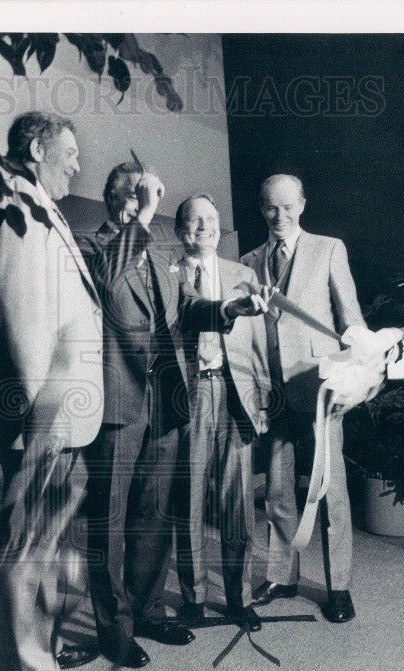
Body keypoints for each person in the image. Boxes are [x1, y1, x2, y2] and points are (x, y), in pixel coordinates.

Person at [0, 111, 104, 671]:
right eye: (69, 152)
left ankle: (28, 661)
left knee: (43, 549)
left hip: (59, 415)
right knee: (27, 552)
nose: (77, 165)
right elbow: (22, 320)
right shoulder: (17, 209)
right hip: (43, 414)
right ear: (35, 148)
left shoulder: (39, 208)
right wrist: (42, 421)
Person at [241, 174, 366, 623]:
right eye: (271, 208)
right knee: (277, 490)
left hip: (320, 391)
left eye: (288, 207)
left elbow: (350, 322)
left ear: (303, 205)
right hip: (273, 393)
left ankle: (339, 586)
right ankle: (282, 574)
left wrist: (357, 375)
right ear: (261, 209)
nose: (280, 216)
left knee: (329, 491)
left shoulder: (329, 249)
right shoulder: (247, 262)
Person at [84, 161, 195, 668]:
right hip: (117, 400)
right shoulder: (93, 247)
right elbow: (108, 282)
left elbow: (182, 312)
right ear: (113, 198)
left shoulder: (163, 255)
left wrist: (230, 311)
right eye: (133, 196)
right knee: (109, 518)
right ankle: (115, 628)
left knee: (154, 515)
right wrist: (146, 214)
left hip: (163, 399)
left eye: (147, 196)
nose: (141, 203)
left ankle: (148, 608)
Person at [173, 193, 271, 631]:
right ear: (181, 230)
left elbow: (257, 344)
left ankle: (239, 598)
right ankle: (194, 597)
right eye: (195, 220)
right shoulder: (168, 273)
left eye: (211, 219)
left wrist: (263, 398)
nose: (205, 227)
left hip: (236, 395)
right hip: (190, 395)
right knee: (189, 500)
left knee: (237, 504)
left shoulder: (242, 274)